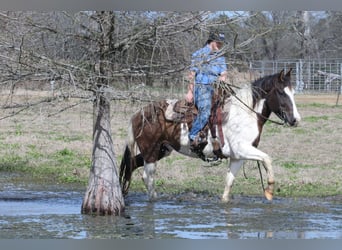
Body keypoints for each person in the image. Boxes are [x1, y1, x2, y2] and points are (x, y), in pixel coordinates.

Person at [185, 32, 228, 150]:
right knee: (205, 112)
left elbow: (223, 73)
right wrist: (189, 91)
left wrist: (222, 79)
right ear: (211, 41)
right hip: (201, 87)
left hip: (216, 88)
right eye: (218, 42)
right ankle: (193, 135)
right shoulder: (199, 55)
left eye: (221, 43)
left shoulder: (220, 56)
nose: (220, 45)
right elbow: (192, 74)